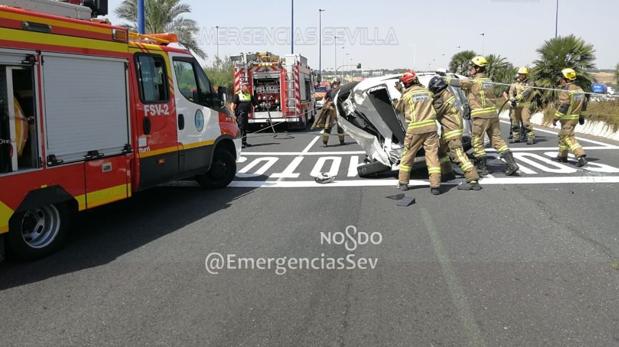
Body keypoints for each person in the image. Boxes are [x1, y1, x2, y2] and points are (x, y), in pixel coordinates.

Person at [446, 56, 519, 177]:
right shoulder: (488, 81)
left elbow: (457, 83)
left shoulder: (473, 81)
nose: (470, 69)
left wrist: (446, 78)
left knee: (477, 141)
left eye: (472, 67)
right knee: (497, 140)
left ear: (477, 68)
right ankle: (512, 164)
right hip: (493, 115)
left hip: (480, 116)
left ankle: (482, 168)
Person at [428, 76, 482, 191]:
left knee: (458, 155)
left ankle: (473, 180)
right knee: (441, 151)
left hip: (451, 131)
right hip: (450, 129)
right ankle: (447, 173)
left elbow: (434, 112)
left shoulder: (440, 99)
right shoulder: (448, 94)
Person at [395, 71, 441, 195]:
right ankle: (435, 186)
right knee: (432, 156)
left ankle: (403, 183)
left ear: (405, 83)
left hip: (415, 129)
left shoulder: (406, 95)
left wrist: (401, 93)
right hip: (431, 129)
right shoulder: (427, 92)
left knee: (408, 156)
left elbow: (399, 109)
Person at [554, 68, 587, 167]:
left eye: (562, 78)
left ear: (566, 79)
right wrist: (582, 116)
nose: (561, 80)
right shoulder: (580, 89)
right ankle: (562, 156)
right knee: (563, 135)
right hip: (575, 118)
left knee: (568, 137)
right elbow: (584, 104)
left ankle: (580, 156)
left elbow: (564, 106)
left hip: (567, 118)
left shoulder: (566, 90)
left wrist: (555, 118)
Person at [508, 67, 536, 145]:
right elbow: (511, 91)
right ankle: (516, 137)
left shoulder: (530, 82)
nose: (520, 76)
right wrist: (511, 98)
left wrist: (520, 96)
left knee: (525, 122)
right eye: (520, 74)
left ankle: (531, 137)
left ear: (525, 75)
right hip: (516, 105)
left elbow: (528, 90)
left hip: (525, 105)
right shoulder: (515, 83)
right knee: (514, 121)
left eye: (522, 74)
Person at [231, 83, 257, 148]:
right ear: (242, 87)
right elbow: (232, 106)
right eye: (246, 86)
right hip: (240, 115)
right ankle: (239, 143)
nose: (247, 87)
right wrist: (233, 114)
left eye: (248, 86)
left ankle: (244, 142)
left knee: (245, 129)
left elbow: (255, 104)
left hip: (245, 114)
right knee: (240, 129)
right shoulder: (237, 95)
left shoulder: (249, 95)